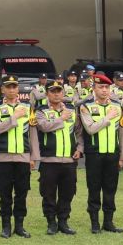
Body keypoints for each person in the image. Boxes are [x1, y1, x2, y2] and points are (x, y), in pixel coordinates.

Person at [0, 76, 39, 238]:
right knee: (5, 193)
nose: (11, 90)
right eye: (8, 87)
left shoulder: (27, 106)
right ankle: (5, 226)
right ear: (2, 89)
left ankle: (19, 225)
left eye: (14, 87)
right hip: (4, 157)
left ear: (18, 89)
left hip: (23, 156)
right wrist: (14, 117)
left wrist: (33, 157)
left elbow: (32, 132)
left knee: (22, 192)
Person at [78, 73, 123, 233]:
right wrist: (106, 118)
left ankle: (108, 221)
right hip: (94, 154)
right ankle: (94, 223)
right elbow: (90, 129)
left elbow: (121, 132)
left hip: (112, 154)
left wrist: (122, 156)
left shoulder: (117, 105)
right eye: (101, 87)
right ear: (94, 88)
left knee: (110, 188)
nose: (104, 90)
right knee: (94, 188)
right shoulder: (86, 106)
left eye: (107, 87)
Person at [34, 81, 82, 235]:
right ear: (47, 94)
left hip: (69, 160)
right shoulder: (41, 110)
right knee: (48, 193)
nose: (56, 94)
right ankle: (51, 222)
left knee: (68, 192)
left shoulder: (71, 110)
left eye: (58, 91)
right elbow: (43, 127)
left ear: (63, 93)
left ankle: (63, 221)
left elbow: (79, 132)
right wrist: (61, 118)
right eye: (52, 91)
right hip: (49, 160)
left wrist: (80, 149)